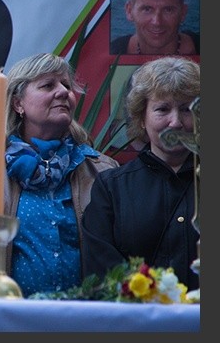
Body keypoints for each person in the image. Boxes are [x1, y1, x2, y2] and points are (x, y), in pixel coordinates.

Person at [0, 53, 119, 297]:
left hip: (81, 315)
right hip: (8, 313)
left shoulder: (101, 169)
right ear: (18, 104)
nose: (63, 92)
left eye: (66, 85)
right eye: (47, 85)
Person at [82, 56, 200, 290]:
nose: (175, 122)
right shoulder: (111, 188)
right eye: (162, 109)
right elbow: (102, 269)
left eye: (186, 109)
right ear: (141, 118)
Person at [110, 0, 199, 55]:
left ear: (183, 13)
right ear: (129, 11)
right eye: (147, 9)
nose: (157, 22)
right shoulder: (113, 50)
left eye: (168, 10)